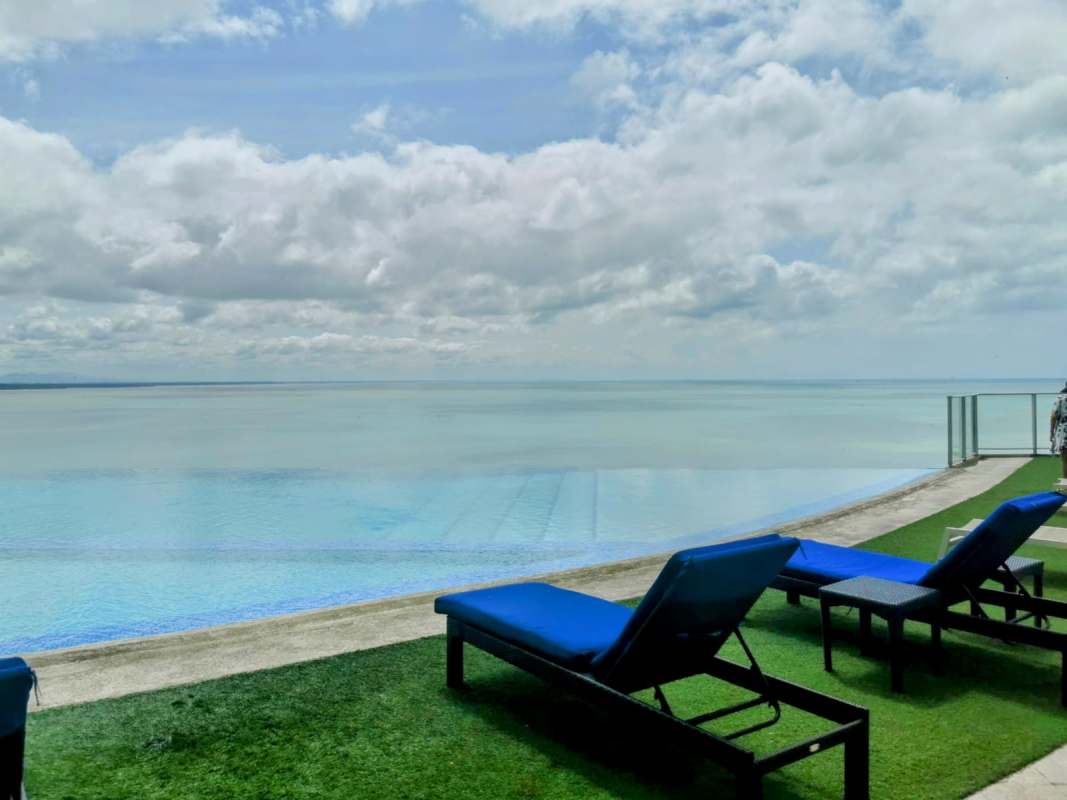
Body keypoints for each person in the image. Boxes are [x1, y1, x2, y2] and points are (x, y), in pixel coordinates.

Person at [1052, 381, 1067, 480]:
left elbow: (1053, 416)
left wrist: (1051, 432)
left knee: (1065, 461)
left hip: (1064, 431)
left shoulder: (1060, 398)